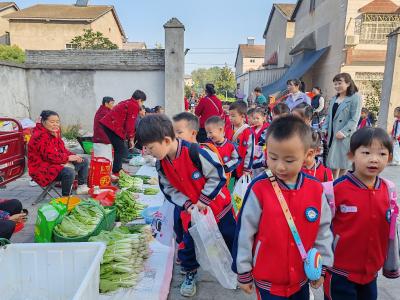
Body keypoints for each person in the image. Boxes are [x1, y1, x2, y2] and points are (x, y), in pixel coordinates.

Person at [233, 115, 334, 299]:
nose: (279, 166)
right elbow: (244, 232)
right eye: (273, 157)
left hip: (301, 279)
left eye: (289, 160)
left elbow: (323, 231)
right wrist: (243, 270)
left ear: (308, 155)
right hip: (267, 279)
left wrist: (323, 266)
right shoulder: (258, 188)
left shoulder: (315, 189)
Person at [136, 114, 236, 297]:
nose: (148, 152)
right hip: (191, 211)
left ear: (166, 140)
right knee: (187, 245)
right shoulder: (161, 164)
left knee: (231, 238)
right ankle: (190, 274)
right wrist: (188, 204)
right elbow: (169, 189)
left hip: (219, 208)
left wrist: (204, 200)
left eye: (150, 147)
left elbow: (218, 176)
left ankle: (240, 270)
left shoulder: (195, 152)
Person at [324, 127, 400, 300]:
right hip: (339, 273)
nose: (374, 159)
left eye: (381, 154)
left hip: (371, 274)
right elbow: (321, 229)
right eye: (366, 152)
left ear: (389, 158)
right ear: (351, 155)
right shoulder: (336, 189)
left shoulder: (388, 190)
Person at [28, 110, 89, 196]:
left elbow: (62, 150)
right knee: (68, 172)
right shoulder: (39, 136)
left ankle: (82, 187)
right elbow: (48, 156)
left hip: (52, 162)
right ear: (43, 122)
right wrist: (67, 158)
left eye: (57, 122)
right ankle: (66, 197)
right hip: (41, 168)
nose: (56, 124)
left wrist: (74, 156)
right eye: (52, 122)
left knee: (83, 160)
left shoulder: (52, 133)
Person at [322, 73, 361, 179]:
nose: (337, 86)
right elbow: (329, 116)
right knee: (332, 163)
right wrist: (324, 128)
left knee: (343, 163)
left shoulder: (355, 98)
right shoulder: (334, 98)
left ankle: (340, 183)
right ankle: (334, 183)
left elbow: (355, 118)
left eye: (339, 83)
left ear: (348, 83)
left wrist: (344, 132)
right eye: (335, 84)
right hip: (332, 135)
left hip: (345, 137)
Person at [100, 90, 147, 177]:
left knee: (120, 147)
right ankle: (116, 171)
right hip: (111, 126)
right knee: (120, 148)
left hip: (111, 125)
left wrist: (128, 137)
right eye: (143, 102)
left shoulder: (128, 102)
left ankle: (118, 169)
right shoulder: (134, 105)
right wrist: (131, 139)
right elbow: (130, 124)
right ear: (139, 100)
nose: (142, 105)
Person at [228, 101, 255, 179]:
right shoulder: (228, 128)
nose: (230, 118)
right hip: (228, 164)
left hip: (241, 166)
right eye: (229, 115)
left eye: (233, 116)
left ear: (242, 116)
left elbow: (250, 152)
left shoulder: (248, 132)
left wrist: (247, 168)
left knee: (238, 187)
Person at [93, 96, 115, 162]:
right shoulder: (103, 113)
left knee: (106, 162)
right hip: (102, 141)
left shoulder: (106, 111)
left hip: (104, 141)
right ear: (106, 104)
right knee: (102, 162)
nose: (113, 105)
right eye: (112, 103)